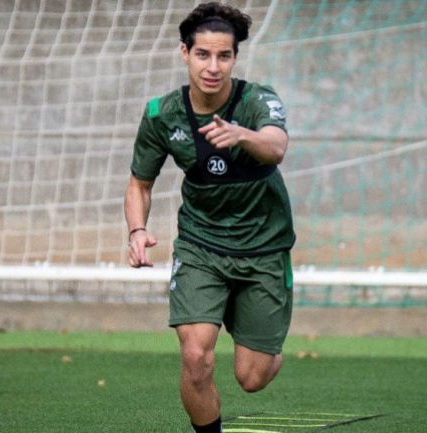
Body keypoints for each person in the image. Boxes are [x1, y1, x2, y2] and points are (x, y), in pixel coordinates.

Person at [124, 2, 295, 432]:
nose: (213, 66)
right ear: (185, 53)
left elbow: (276, 147)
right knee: (195, 356)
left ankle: (258, 331)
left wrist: (242, 134)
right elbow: (139, 184)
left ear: (235, 57)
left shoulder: (259, 101)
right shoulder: (161, 115)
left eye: (224, 56)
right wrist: (137, 230)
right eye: (203, 54)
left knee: (252, 377)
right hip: (202, 246)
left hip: (263, 248)